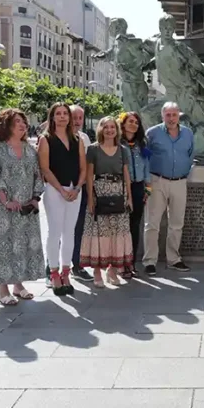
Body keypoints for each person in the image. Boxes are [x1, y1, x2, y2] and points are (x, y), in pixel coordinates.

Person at [0, 109, 44, 306]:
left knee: (21, 245)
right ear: (6, 125)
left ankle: (18, 285)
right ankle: (3, 290)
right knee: (3, 246)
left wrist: (35, 198)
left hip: (26, 207)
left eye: (23, 121)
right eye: (17, 121)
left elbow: (37, 174)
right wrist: (5, 200)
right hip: (2, 208)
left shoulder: (29, 148)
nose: (22, 124)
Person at [38, 102, 87, 296]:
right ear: (52, 117)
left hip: (74, 189)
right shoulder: (45, 139)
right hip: (54, 190)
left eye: (65, 113)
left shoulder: (78, 139)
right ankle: (54, 273)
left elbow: (83, 167)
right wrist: (60, 189)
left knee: (70, 233)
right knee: (55, 232)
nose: (62, 117)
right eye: (58, 114)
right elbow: (45, 168)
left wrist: (77, 188)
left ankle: (66, 272)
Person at [81, 116, 134, 287]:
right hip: (100, 192)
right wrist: (90, 197)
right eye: (106, 127)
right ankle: (97, 272)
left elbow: (126, 174)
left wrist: (130, 197)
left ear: (116, 130)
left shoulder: (123, 150)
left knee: (116, 233)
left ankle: (112, 270)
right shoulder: (93, 149)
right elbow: (89, 175)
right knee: (99, 233)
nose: (110, 130)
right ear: (101, 130)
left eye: (112, 127)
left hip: (119, 193)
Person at [144, 102, 193, 275]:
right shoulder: (152, 133)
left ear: (179, 114)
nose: (171, 118)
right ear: (162, 115)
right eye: (168, 115)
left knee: (177, 223)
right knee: (152, 223)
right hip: (157, 181)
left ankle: (174, 259)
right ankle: (150, 261)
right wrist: (147, 182)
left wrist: (186, 172)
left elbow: (190, 154)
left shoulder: (188, 133)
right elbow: (145, 157)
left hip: (180, 182)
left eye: (174, 114)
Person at [120, 111, 152, 279]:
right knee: (120, 226)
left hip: (138, 187)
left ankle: (131, 262)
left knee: (134, 225)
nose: (133, 124)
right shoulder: (118, 143)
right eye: (130, 121)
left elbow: (147, 167)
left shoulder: (141, 144)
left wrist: (148, 189)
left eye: (136, 122)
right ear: (123, 123)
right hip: (121, 188)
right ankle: (119, 263)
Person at [68, 105, 94, 282]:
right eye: (74, 117)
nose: (77, 121)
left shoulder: (84, 138)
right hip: (62, 189)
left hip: (81, 189)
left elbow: (89, 165)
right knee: (59, 230)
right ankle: (52, 268)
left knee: (79, 229)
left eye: (80, 118)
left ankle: (76, 265)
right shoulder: (52, 138)